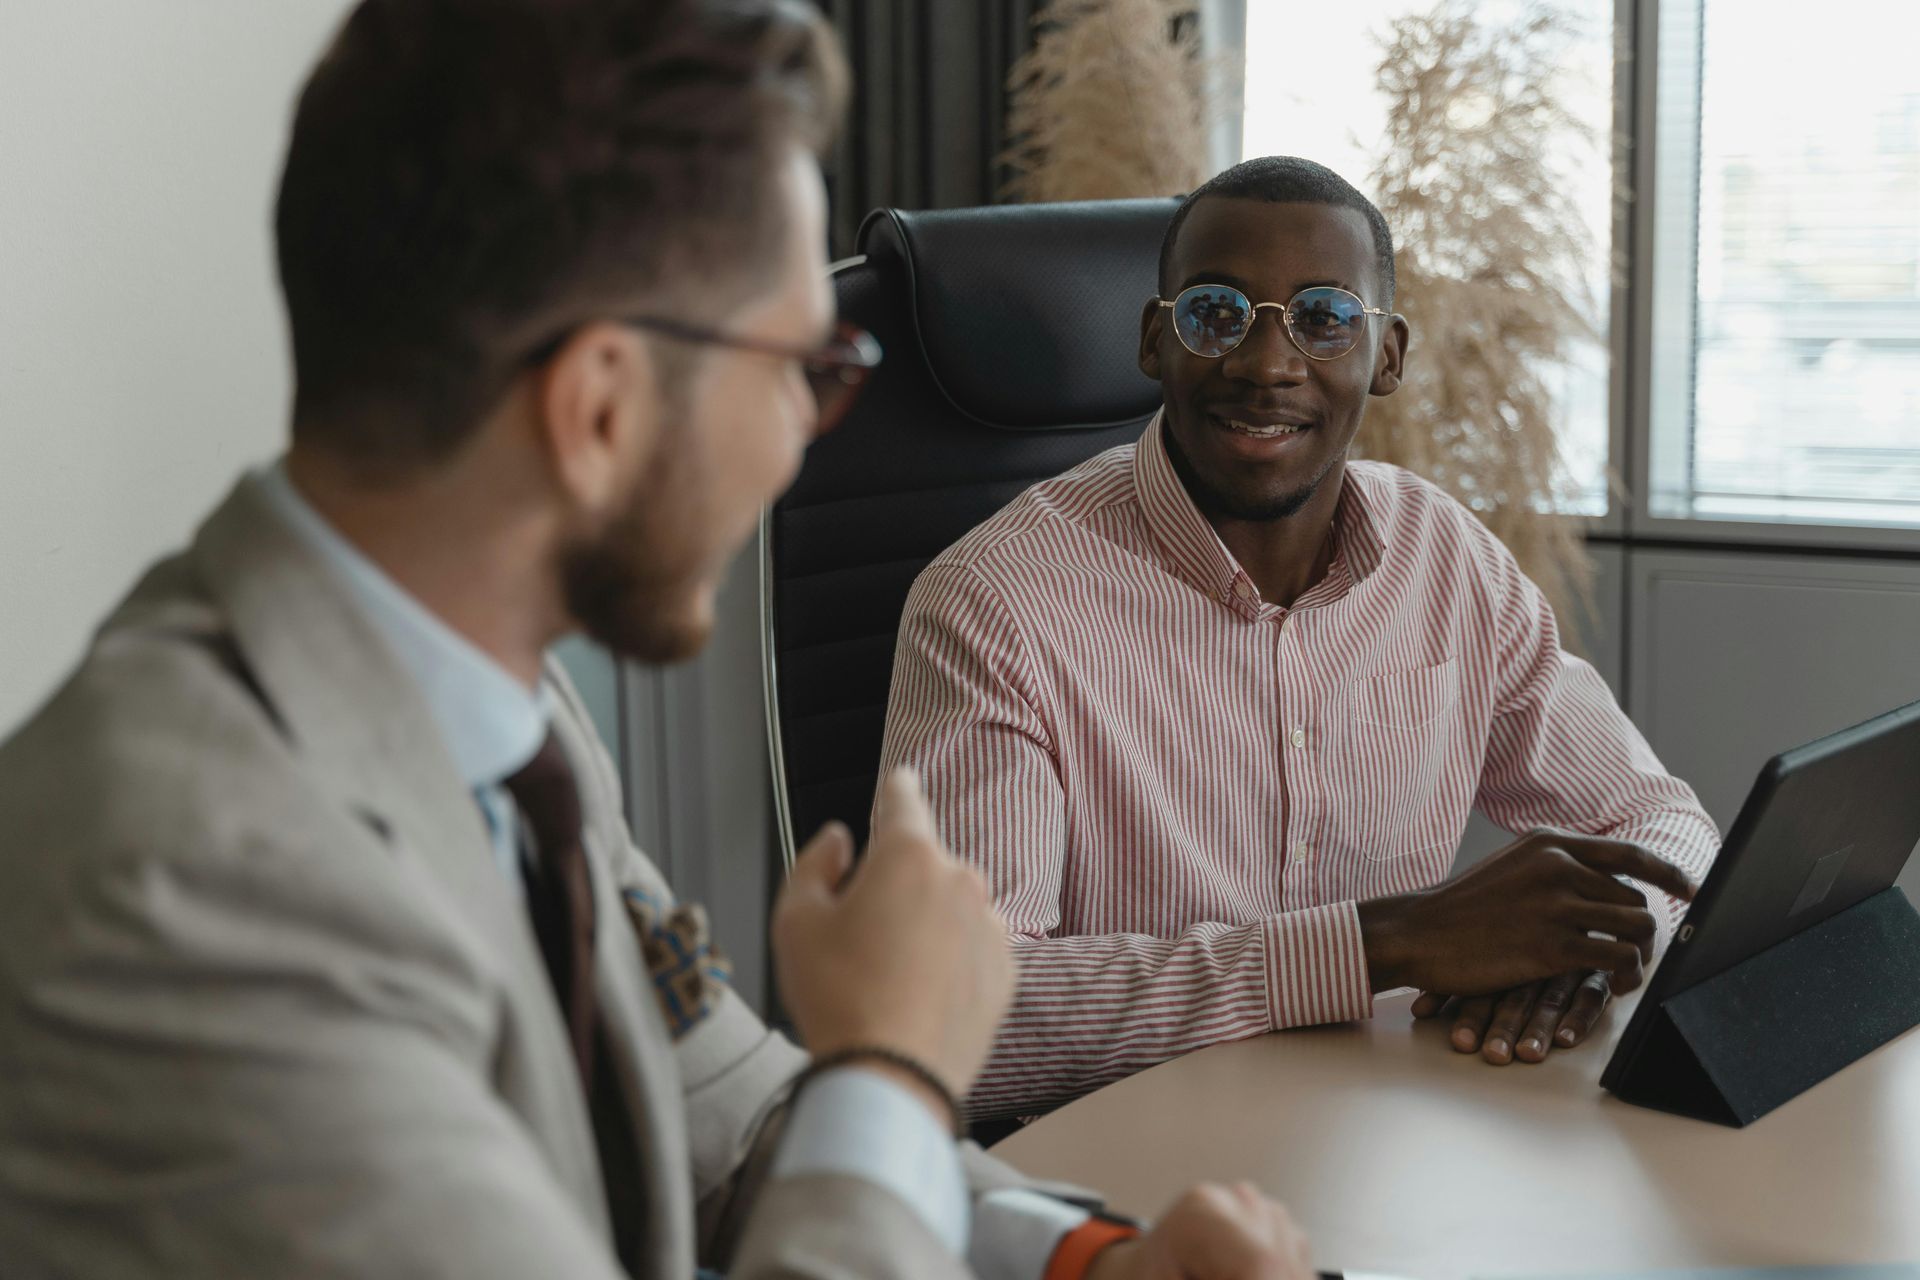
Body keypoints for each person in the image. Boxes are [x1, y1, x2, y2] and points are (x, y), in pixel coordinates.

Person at [0, 6, 1315, 1277]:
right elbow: (840, 1128)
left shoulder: (507, 709)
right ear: (602, 410)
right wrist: (900, 1066)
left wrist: (1083, 1258)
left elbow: (729, 1125)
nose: (805, 434)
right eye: (801, 367)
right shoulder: (185, 890)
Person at [878, 156, 1715, 1121]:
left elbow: (1665, 826)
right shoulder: (993, 602)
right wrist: (1378, 946)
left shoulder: (1445, 557)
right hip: (1130, 1159)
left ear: (1387, 356)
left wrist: (1582, 953)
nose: (1265, 366)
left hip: (1387, 1130)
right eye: (1215, 313)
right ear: (1156, 341)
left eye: (1322, 319)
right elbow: (955, 1020)